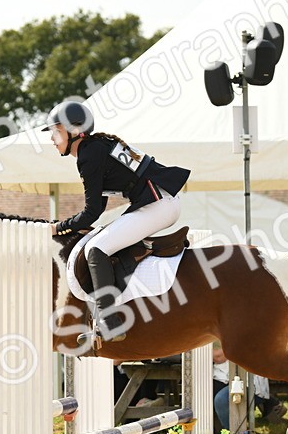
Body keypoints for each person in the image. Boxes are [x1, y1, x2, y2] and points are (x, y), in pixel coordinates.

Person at [44, 100, 191, 345]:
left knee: (96, 249)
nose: (52, 139)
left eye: (55, 131)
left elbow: (90, 212)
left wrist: (59, 227)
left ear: (73, 131)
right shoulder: (97, 147)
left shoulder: (89, 154)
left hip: (157, 204)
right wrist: (76, 224)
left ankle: (108, 321)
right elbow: (98, 206)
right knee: (101, 241)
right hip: (161, 202)